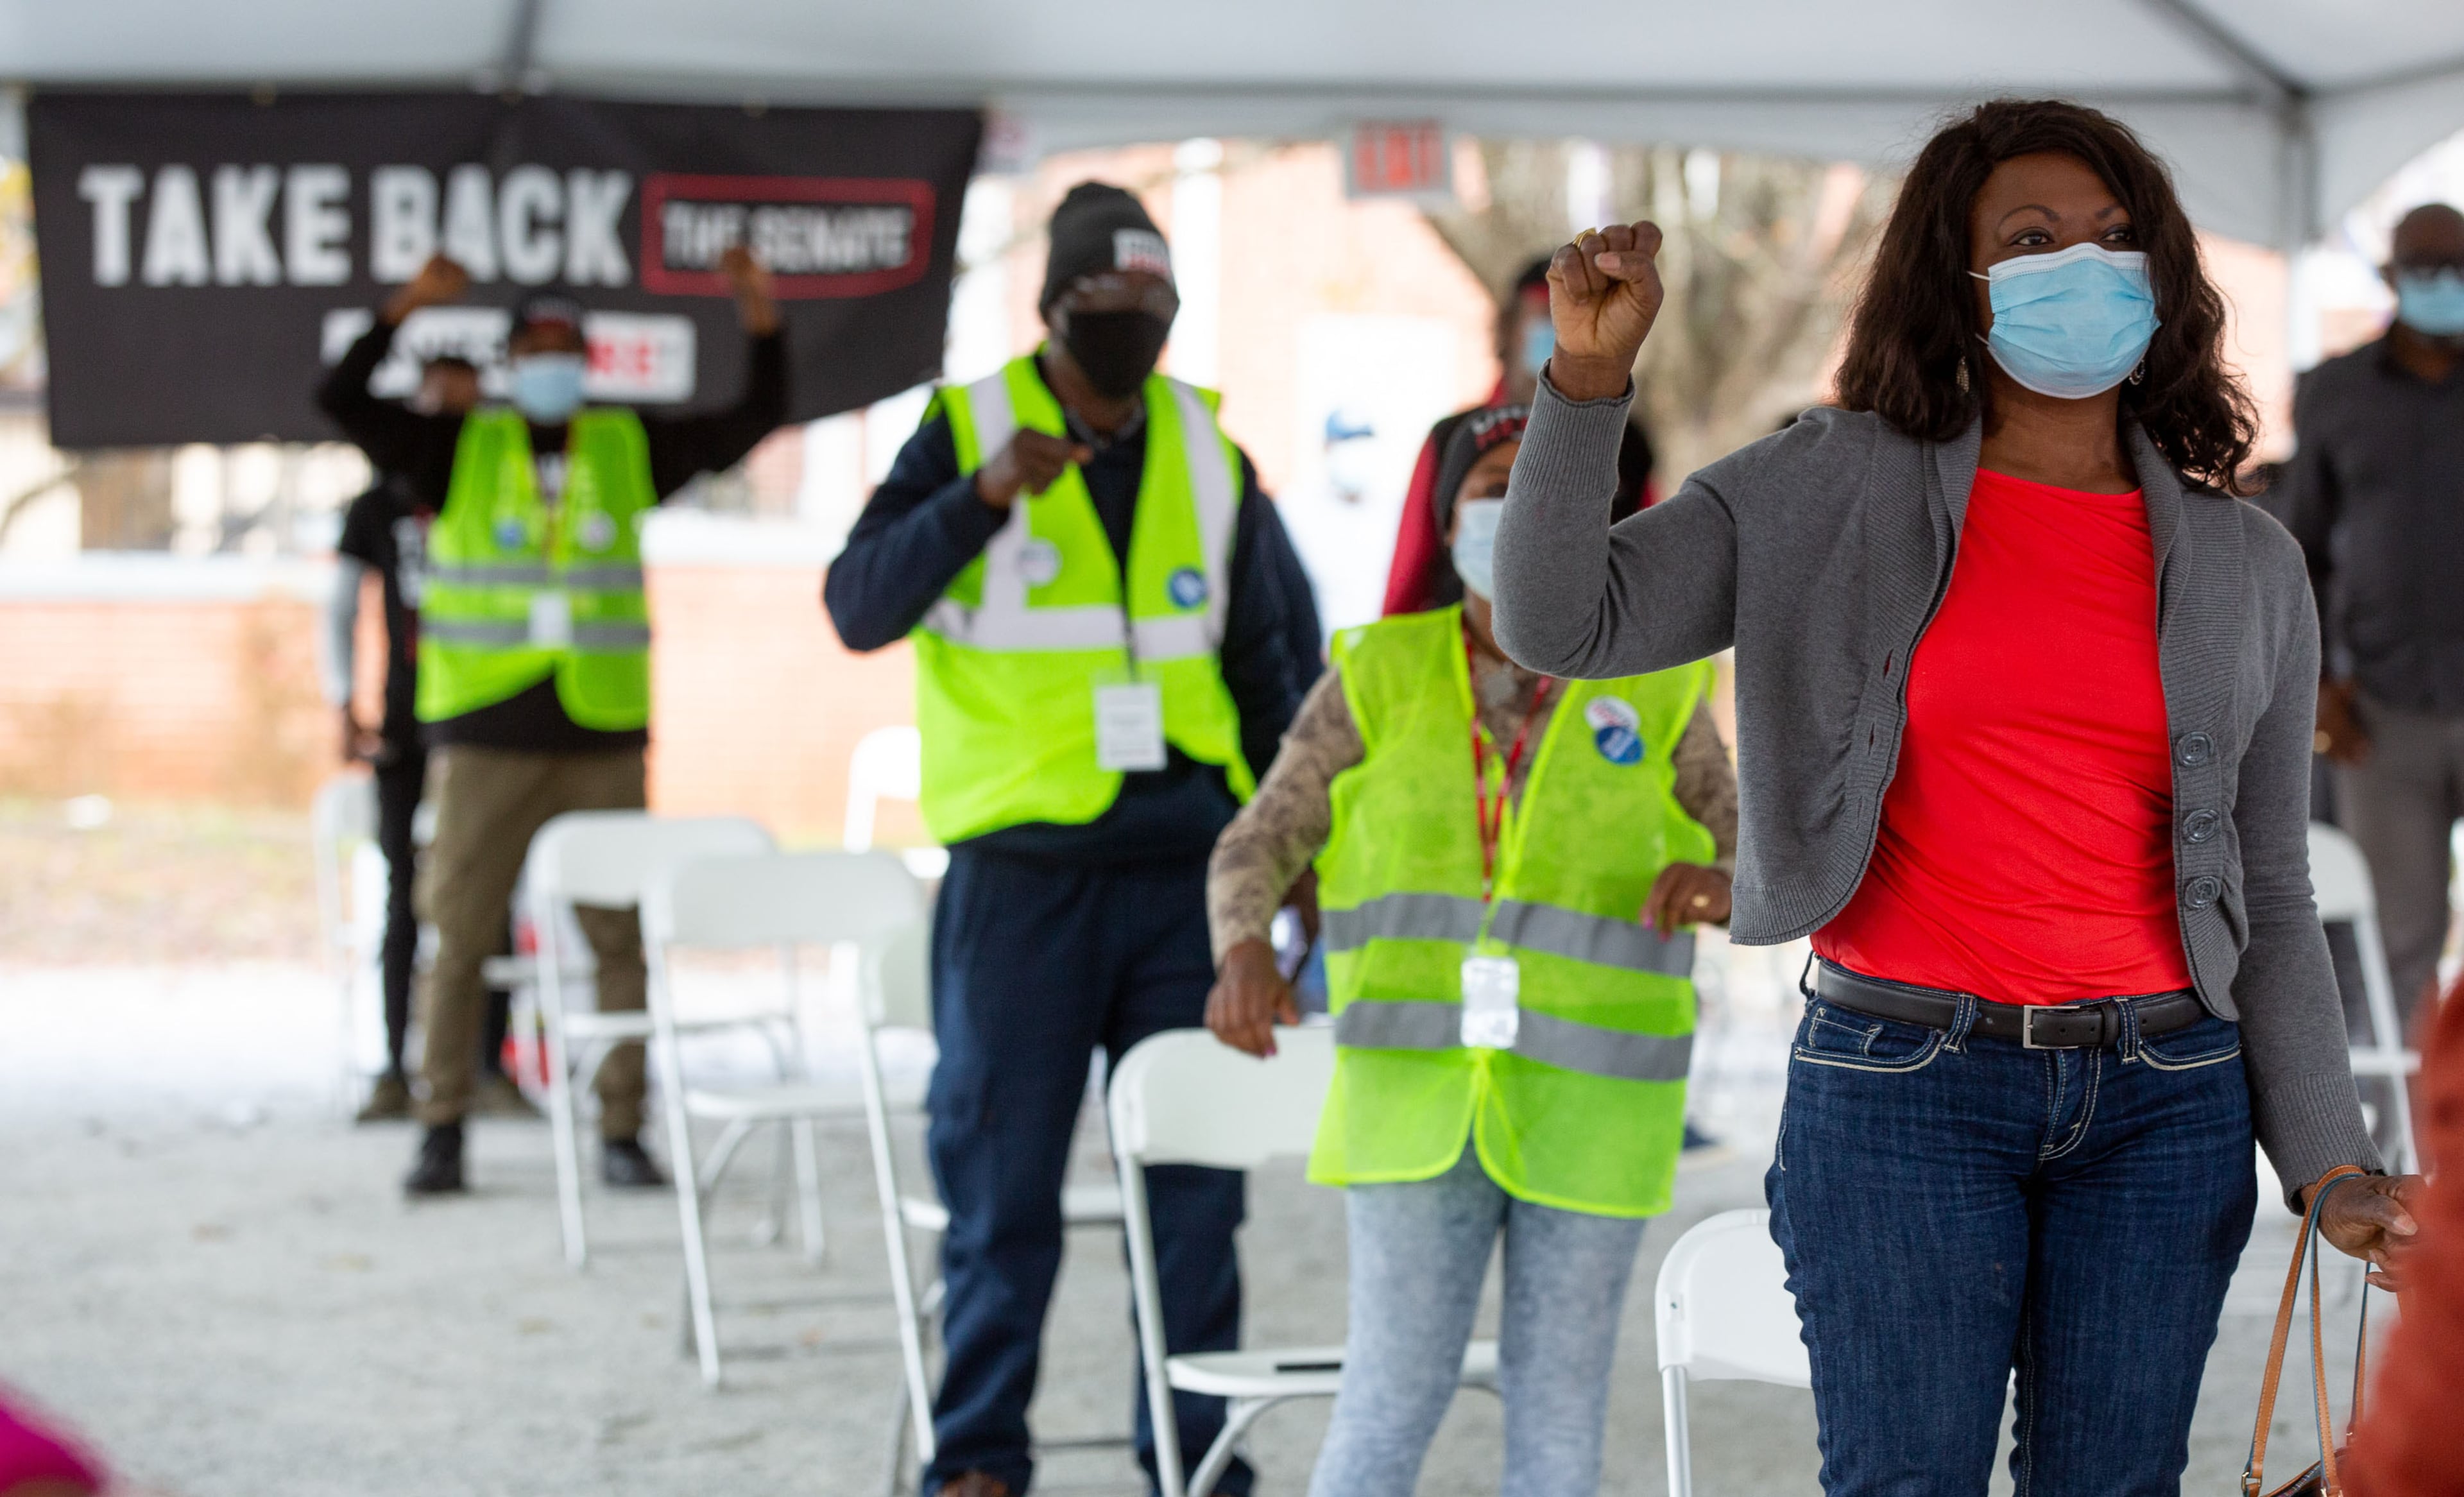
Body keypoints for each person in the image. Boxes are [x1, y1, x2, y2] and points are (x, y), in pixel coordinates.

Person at [1494, 99, 2424, 1495]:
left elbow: (2270, 886)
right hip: (1904, 1088)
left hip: (2167, 1102)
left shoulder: (2250, 561)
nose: (2086, 267)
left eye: (2117, 240)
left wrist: (2330, 1165)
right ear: (1960, 278)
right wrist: (1584, 384)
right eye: (2034, 238)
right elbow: (1564, 620)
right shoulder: (1825, 487)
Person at [823, 182, 1316, 1497]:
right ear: (1051, 307)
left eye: (1153, 304)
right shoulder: (966, 428)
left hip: (1186, 879)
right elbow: (859, 604)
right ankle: (979, 1452)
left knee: (1198, 1192)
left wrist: (1292, 861)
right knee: (1001, 1187)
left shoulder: (1211, 457)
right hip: (1020, 880)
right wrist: (978, 497)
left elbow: (1279, 669)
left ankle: (1193, 1451)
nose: (1132, 325)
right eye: (1105, 303)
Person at [1204, 404, 1737, 1497]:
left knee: (1559, 1407)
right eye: (1493, 484)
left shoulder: (1660, 680)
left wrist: (1732, 886)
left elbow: (1768, 847)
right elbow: (1260, 837)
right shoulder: (1381, 672)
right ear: (1446, 516)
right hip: (1411, 1099)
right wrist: (1243, 944)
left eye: (1547, 481)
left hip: (1598, 1106)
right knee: (1392, 1393)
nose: (1519, 506)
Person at [318, 245, 786, 1197]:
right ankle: (441, 1118)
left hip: (602, 737)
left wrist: (760, 317)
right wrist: (405, 306)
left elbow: (752, 420)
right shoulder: (453, 446)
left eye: (565, 346)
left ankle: (622, 1124)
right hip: (485, 736)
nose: (551, 361)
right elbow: (341, 399)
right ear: (508, 361)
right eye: (534, 346)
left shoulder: (627, 445)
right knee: (457, 931)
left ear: (589, 359)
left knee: (618, 938)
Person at [320, 355, 534, 1125]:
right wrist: (342, 701)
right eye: (436, 401)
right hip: (409, 729)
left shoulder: (503, 489)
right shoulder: (378, 505)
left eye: (466, 402)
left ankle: (489, 1063)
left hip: (483, 722)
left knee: (490, 890)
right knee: (404, 898)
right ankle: (394, 1068)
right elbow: (339, 604)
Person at [2290, 202, 2464, 1039]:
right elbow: (2303, 551)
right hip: (2382, 712)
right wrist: (2319, 685)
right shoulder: (2337, 391)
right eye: (2425, 264)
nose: (2443, 281)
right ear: (2392, 277)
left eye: (2457, 264)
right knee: (2401, 937)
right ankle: (2404, 1159)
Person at [1378, 256, 1656, 616]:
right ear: (1508, 329)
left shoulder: (1627, 443)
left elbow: (1648, 567)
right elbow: (1409, 572)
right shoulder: (1452, 439)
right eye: (1550, 317)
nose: (1569, 331)